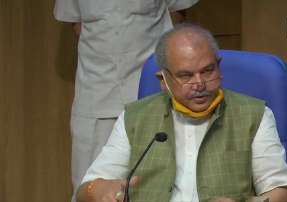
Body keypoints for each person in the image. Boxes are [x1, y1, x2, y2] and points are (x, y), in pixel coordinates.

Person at [76, 24, 287, 202]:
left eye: (208, 71)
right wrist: (98, 189)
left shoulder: (254, 115)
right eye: (186, 76)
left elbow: (280, 191)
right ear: (163, 80)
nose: (199, 84)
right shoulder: (136, 118)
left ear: (219, 67)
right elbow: (87, 188)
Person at [53, 0, 199, 199]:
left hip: (152, 86)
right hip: (97, 90)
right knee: (90, 186)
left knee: (160, 181)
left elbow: (179, 15)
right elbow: (77, 23)